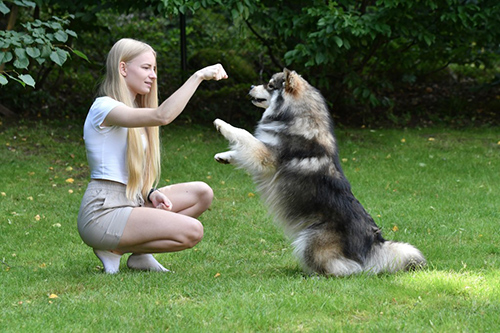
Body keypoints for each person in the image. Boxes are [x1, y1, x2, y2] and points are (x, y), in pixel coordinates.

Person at [77, 38, 228, 274]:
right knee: (193, 231)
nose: (153, 75)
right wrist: (198, 76)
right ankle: (112, 248)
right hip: (103, 212)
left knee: (202, 194)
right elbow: (162, 116)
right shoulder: (104, 107)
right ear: (123, 68)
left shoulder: (133, 111)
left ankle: (139, 255)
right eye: (146, 68)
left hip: (132, 200)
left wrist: (149, 193)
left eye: (154, 68)